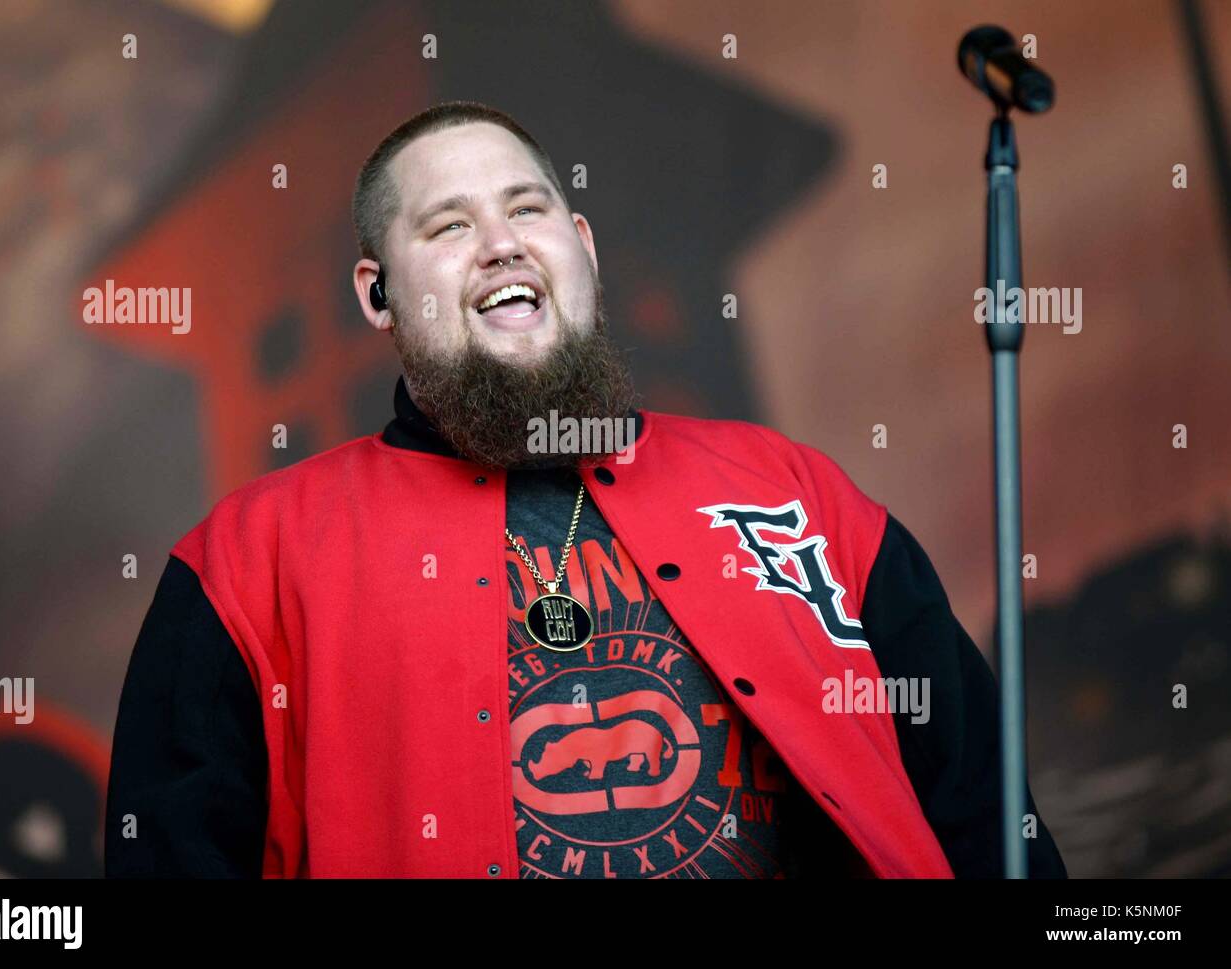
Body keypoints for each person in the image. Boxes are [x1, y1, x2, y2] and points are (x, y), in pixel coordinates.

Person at [105, 100, 1067, 880]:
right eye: (448, 226)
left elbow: (981, 802)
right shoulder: (249, 557)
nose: (501, 243)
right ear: (376, 293)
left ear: (583, 246)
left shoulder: (796, 489)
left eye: (528, 210)